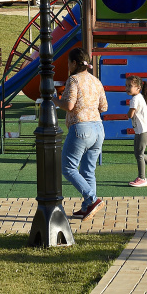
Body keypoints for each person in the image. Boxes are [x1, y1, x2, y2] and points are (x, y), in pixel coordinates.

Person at [57, 47, 108, 221]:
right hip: (98, 129)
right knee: (88, 170)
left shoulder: (74, 80)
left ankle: (92, 199)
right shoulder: (96, 81)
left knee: (68, 167)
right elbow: (104, 107)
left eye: (68, 63)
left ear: (73, 63)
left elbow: (69, 105)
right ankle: (87, 207)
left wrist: (54, 100)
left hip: (81, 128)